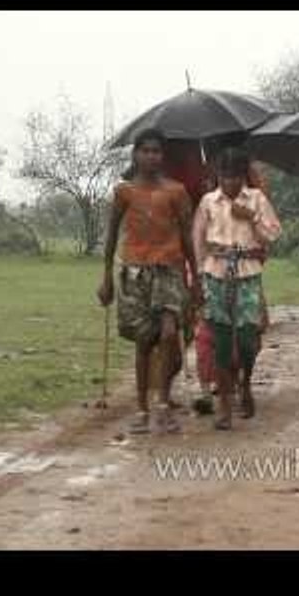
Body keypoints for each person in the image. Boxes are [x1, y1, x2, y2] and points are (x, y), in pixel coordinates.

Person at [97, 128, 200, 434]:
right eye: (146, 151)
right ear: (136, 154)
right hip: (134, 271)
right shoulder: (123, 192)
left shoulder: (177, 192)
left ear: (162, 156)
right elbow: (113, 234)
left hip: (169, 270)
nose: (151, 156)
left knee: (169, 334)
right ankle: (142, 408)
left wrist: (196, 278)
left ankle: (164, 404)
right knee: (143, 342)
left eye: (156, 151)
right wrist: (106, 277)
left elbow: (186, 236)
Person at [193, 147, 281, 430]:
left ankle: (245, 382)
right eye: (225, 176)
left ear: (244, 177)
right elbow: (198, 237)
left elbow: (274, 234)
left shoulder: (256, 199)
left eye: (235, 177)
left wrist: (251, 217)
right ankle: (225, 407)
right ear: (218, 175)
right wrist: (199, 272)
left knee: (246, 340)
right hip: (216, 273)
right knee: (219, 341)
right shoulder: (208, 201)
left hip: (247, 274)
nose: (229, 183)